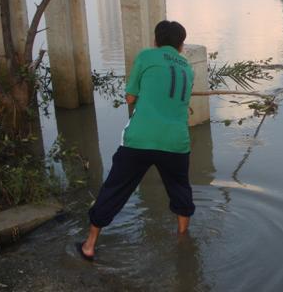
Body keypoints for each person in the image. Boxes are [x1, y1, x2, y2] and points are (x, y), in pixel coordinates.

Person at [77, 20, 195, 261]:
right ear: (181, 46)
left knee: (116, 188)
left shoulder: (146, 57)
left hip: (140, 139)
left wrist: (139, 93)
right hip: (176, 142)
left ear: (156, 40)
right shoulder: (188, 69)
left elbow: (130, 98)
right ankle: (182, 237)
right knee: (180, 189)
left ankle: (89, 245)